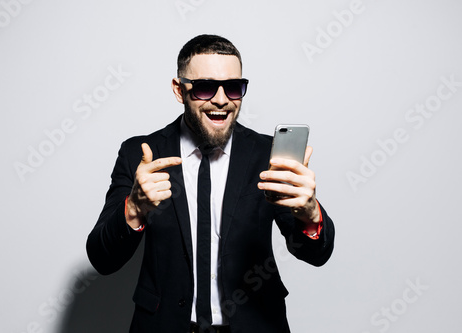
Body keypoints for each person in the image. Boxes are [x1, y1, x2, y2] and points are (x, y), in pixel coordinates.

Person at [87, 34, 335, 333]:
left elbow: (315, 254)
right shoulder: (139, 154)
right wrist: (134, 209)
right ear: (179, 90)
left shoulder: (267, 155)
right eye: (205, 87)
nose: (221, 99)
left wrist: (309, 215)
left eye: (233, 87)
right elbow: (102, 258)